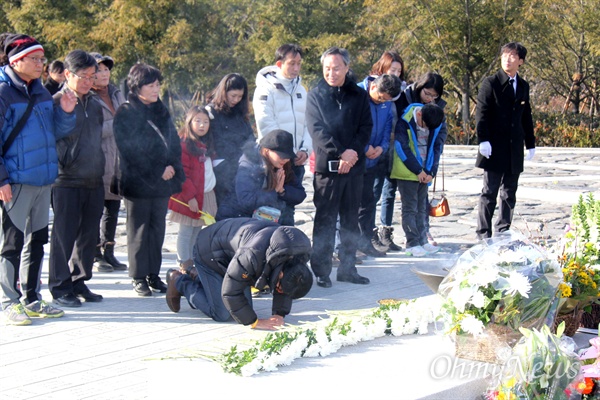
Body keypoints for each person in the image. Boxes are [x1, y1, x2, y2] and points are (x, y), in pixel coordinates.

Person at [0, 34, 77, 325]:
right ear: (16, 60)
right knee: (10, 243)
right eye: (35, 59)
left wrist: (67, 114)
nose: (40, 64)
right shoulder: (3, 92)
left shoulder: (42, 92)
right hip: (16, 181)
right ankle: (8, 301)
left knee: (37, 241)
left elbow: (53, 133)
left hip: (43, 179)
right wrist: (1, 180)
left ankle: (32, 298)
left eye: (42, 58)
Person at [165, 217, 313, 330]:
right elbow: (230, 292)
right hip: (208, 252)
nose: (279, 290)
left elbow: (288, 285)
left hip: (231, 257)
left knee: (242, 308)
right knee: (222, 313)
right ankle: (179, 281)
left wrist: (279, 314)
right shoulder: (253, 255)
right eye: (280, 287)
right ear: (281, 274)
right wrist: (254, 322)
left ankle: (196, 274)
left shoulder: (294, 258)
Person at [114, 63, 184, 296]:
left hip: (163, 181)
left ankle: (153, 274)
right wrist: (157, 170)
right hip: (139, 182)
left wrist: (173, 165)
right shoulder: (126, 112)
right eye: (151, 85)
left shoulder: (160, 109)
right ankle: (138, 276)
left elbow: (173, 140)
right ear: (137, 87)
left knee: (158, 229)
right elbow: (130, 150)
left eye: (157, 85)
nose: (156, 89)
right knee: (139, 230)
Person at [306, 47, 372, 288]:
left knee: (350, 219)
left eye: (336, 68)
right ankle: (322, 270)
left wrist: (353, 152)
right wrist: (340, 152)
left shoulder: (359, 95)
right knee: (325, 219)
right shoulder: (315, 96)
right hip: (328, 169)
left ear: (346, 67)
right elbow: (317, 131)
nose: (331, 73)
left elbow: (366, 126)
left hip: (354, 167)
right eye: (327, 68)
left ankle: (347, 268)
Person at [49, 50, 106, 308]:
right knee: (64, 236)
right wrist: (66, 161)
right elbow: (52, 138)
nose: (88, 81)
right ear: (68, 74)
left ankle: (80, 280)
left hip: (93, 178)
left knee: (88, 235)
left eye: (92, 76)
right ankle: (60, 288)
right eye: (83, 76)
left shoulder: (94, 103)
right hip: (66, 180)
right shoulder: (56, 101)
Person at [475, 42, 535, 240]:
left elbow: (526, 116)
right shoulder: (490, 83)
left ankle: (503, 231)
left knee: (509, 192)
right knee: (489, 192)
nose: (507, 59)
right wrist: (483, 140)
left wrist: (530, 142)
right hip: (493, 146)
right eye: (505, 55)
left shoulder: (523, 85)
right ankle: (483, 234)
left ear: (521, 61)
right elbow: (482, 113)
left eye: (512, 56)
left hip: (514, 146)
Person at [253, 43, 312, 225]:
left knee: (289, 207)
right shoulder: (265, 89)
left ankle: (289, 247)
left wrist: (304, 150)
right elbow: (266, 123)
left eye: (299, 64)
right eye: (291, 63)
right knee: (270, 207)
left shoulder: (302, 91)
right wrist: (285, 152)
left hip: (296, 160)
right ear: (279, 64)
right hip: (275, 160)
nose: (296, 68)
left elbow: (308, 123)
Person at [394, 72, 448, 249]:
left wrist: (430, 171)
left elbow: (436, 147)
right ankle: (411, 243)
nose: (431, 99)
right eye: (428, 94)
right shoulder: (406, 118)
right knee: (410, 208)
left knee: (421, 207)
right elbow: (402, 148)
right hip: (408, 170)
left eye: (435, 96)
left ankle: (422, 240)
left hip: (424, 171)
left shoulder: (435, 118)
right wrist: (418, 170)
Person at [216, 129, 306, 225]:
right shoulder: (248, 166)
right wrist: (273, 191)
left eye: (288, 156)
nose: (286, 159)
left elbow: (300, 194)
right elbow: (247, 201)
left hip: (268, 219)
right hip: (237, 220)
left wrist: (282, 191)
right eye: (281, 155)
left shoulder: (283, 165)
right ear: (267, 151)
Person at [89, 52, 127, 273]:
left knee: (113, 207)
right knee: (96, 209)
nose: (104, 74)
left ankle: (109, 252)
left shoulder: (115, 93)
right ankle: (94, 254)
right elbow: (91, 130)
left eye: (106, 69)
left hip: (118, 160)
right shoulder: (87, 97)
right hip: (98, 159)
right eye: (98, 70)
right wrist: (116, 124)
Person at [167, 106, 218, 273]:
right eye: (198, 121)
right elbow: (182, 173)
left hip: (205, 193)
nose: (202, 125)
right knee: (186, 230)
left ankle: (191, 260)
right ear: (189, 122)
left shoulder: (206, 144)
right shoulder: (184, 145)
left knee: (196, 229)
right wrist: (190, 197)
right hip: (189, 195)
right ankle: (184, 262)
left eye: (205, 121)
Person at [355, 74, 401, 257]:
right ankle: (351, 245)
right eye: (382, 98)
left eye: (387, 100)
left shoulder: (387, 103)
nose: (383, 101)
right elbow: (352, 126)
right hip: (356, 158)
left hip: (374, 158)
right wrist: (365, 148)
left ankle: (366, 243)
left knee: (368, 202)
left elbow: (388, 124)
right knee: (353, 204)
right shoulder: (358, 94)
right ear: (373, 87)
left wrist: (382, 148)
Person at [370, 51, 406, 253]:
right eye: (393, 70)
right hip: (374, 149)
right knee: (373, 192)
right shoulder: (372, 90)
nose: (396, 74)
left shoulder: (400, 93)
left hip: (392, 147)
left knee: (390, 191)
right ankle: (370, 231)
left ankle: (386, 232)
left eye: (399, 71)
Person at [206, 73, 254, 206]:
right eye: (233, 96)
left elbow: (250, 137)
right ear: (223, 92)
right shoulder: (211, 112)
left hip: (243, 167)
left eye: (240, 96)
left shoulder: (240, 112)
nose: (236, 100)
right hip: (222, 169)